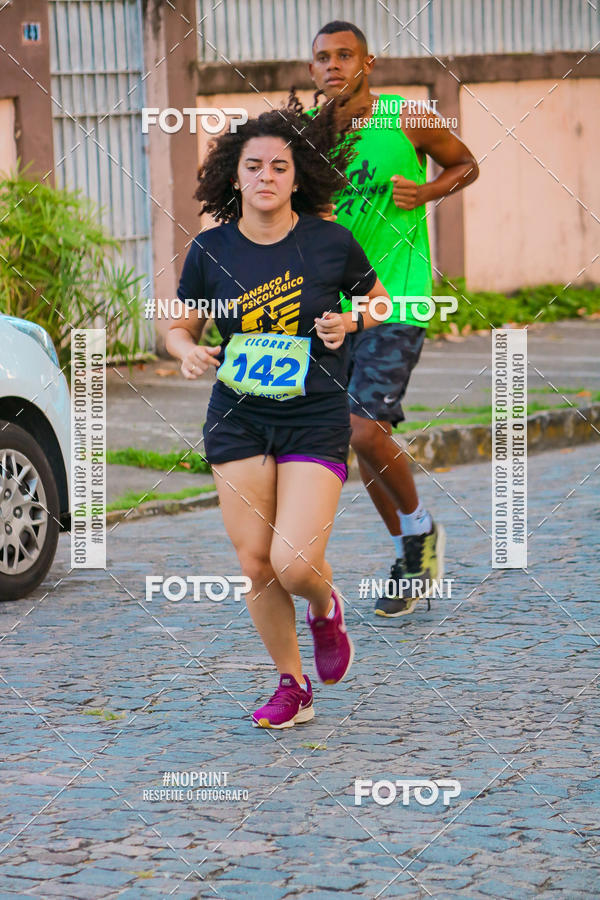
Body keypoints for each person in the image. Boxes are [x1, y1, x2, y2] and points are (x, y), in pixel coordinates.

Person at [166, 95, 386, 728]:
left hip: (314, 413)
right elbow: (179, 326)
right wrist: (185, 350)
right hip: (237, 416)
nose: (266, 176)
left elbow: (379, 301)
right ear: (234, 175)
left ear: (298, 176)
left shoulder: (329, 243)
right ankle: (292, 684)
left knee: (294, 563)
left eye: (279, 167)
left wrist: (350, 319)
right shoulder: (211, 251)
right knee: (257, 563)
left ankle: (325, 603)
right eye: (254, 166)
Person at [309, 21, 480, 617]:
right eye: (322, 58)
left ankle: (420, 533)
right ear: (312, 71)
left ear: (368, 63)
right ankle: (414, 550)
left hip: (399, 297)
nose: (333, 65)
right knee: (361, 444)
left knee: (363, 429)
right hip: (336, 305)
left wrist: (427, 193)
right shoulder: (311, 138)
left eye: (344, 55)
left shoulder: (406, 118)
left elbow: (467, 165)